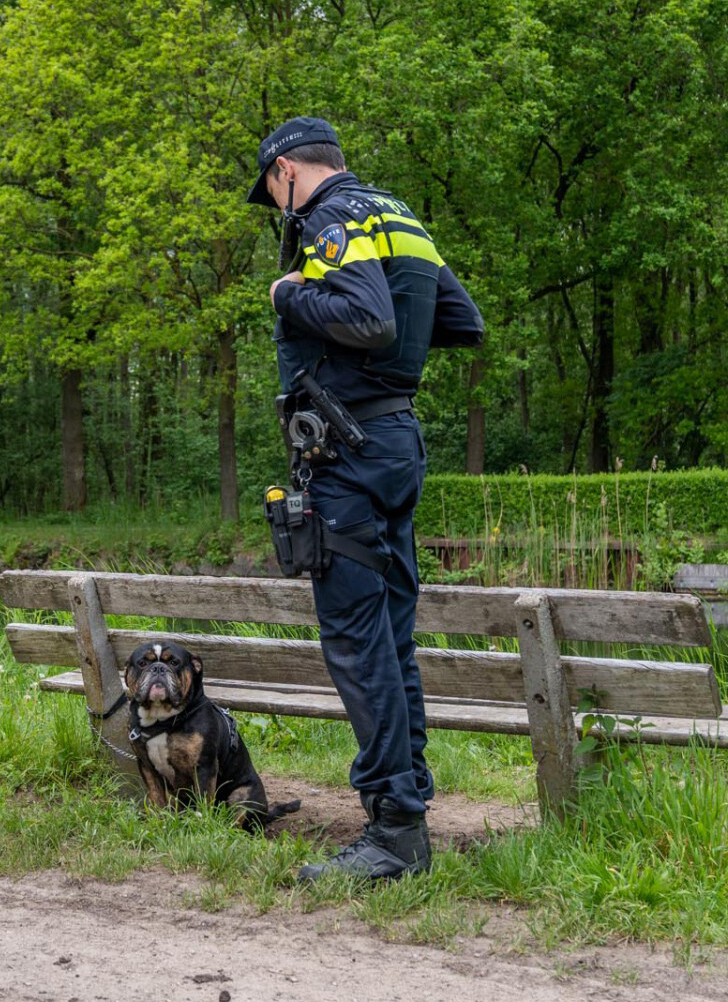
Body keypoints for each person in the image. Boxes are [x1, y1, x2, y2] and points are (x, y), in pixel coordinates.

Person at [248, 117, 484, 882]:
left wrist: (289, 296)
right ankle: (406, 808)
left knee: (356, 640)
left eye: (270, 192)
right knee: (390, 635)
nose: (276, 208)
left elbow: (368, 319)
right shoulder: (396, 216)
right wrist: (388, 358)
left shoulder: (330, 219)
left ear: (286, 171)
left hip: (343, 455)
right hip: (394, 444)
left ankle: (393, 833)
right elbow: (461, 322)